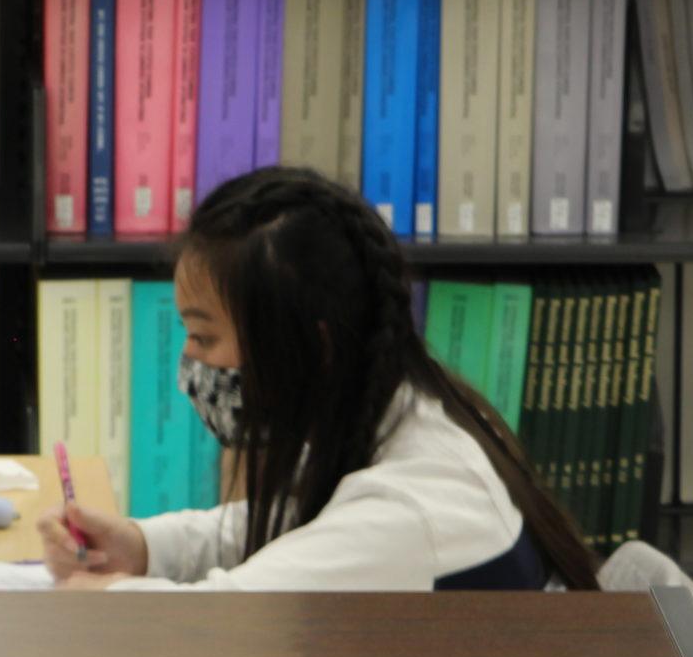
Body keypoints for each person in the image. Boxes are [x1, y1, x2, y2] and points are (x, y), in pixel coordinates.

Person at [36, 167, 601, 593]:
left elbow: (209, 626)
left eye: (205, 337)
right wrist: (138, 548)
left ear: (317, 346)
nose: (190, 359)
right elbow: (292, 524)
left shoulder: (407, 511)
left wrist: (101, 596)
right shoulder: (389, 413)